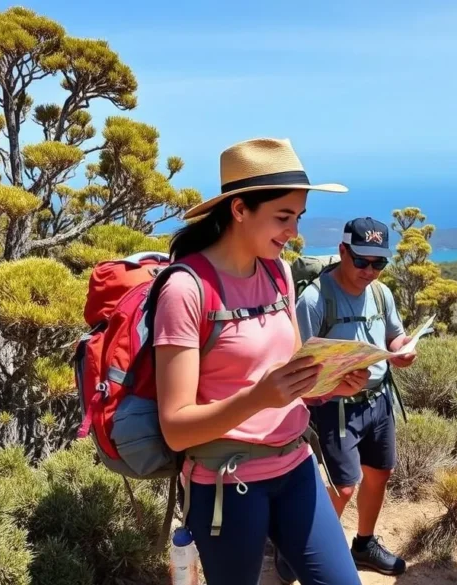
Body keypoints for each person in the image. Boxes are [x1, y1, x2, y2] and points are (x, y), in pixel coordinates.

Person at [153, 138, 365, 585]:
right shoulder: (186, 289)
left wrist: (328, 383)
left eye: (298, 217)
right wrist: (258, 397)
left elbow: (286, 375)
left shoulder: (277, 271)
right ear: (239, 210)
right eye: (282, 217)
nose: (293, 230)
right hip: (226, 485)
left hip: (295, 463)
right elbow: (175, 427)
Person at [277, 217, 415, 582]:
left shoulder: (381, 294)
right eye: (362, 261)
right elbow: (298, 372)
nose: (370, 271)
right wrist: (338, 387)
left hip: (379, 401)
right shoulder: (315, 299)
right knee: (342, 487)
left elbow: (394, 336)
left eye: (379, 263)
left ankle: (364, 544)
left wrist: (401, 351)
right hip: (335, 410)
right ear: (343, 252)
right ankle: (299, 550)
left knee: (379, 473)